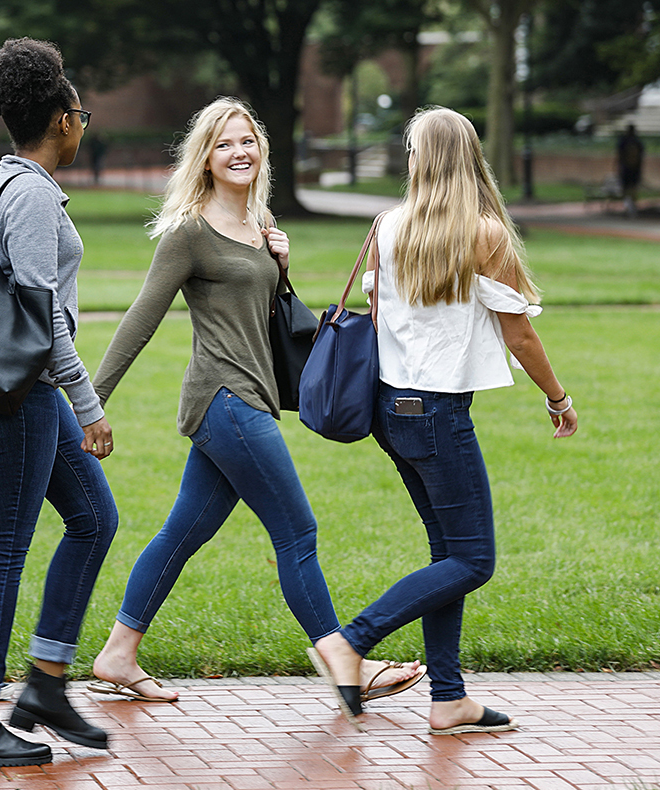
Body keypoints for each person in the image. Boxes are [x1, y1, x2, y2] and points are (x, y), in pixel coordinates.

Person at [87, 98, 424, 707]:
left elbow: (273, 323)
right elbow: (142, 316)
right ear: (205, 158)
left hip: (252, 397)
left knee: (182, 532)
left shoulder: (261, 226)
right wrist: (92, 402)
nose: (238, 152)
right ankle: (345, 661)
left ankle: (117, 653)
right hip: (224, 398)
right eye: (223, 144)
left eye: (246, 140)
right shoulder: (190, 232)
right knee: (298, 531)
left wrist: (282, 268)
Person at [308, 106, 579, 735]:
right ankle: (350, 641)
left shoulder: (387, 225)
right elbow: (521, 335)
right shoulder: (484, 235)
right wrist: (558, 398)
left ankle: (448, 698)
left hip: (389, 411)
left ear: (420, 160)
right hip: (437, 413)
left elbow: (379, 315)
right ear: (470, 157)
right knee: (475, 560)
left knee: (446, 555)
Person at [0, 38, 118, 769]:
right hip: (22, 397)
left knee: (95, 519)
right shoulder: (35, 196)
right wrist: (89, 404)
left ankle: (43, 683)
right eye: (81, 113)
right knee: (4, 550)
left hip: (2, 393)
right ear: (63, 119)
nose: (84, 125)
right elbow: (48, 324)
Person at [616, 123, 644, 217]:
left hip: (627, 168)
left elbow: (620, 155)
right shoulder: (637, 141)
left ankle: (628, 207)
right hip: (634, 168)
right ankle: (631, 207)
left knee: (626, 188)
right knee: (632, 188)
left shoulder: (624, 141)